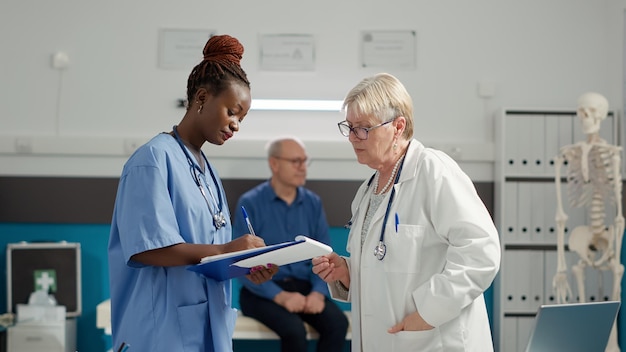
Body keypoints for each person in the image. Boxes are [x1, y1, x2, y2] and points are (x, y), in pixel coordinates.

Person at [108, 34, 278, 352]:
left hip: (205, 326)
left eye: (242, 118)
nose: (236, 125)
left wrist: (245, 264)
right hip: (160, 329)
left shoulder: (205, 169)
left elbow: (207, 254)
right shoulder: (153, 160)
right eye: (232, 111)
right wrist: (229, 249)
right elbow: (147, 250)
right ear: (201, 98)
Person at [312, 73, 501, 351]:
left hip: (433, 340)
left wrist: (428, 313)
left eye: (363, 128)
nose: (353, 138)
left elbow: (481, 252)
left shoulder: (433, 172)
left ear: (398, 126)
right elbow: (386, 267)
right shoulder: (367, 191)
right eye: (349, 127)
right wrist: (346, 272)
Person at [233, 137, 349, 352]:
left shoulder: (313, 203)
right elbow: (242, 265)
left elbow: (325, 254)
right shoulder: (250, 202)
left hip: (304, 288)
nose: (302, 168)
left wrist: (317, 292)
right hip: (261, 290)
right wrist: (280, 296)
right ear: (274, 164)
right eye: (295, 161)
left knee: (338, 325)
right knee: (294, 331)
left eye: (305, 161)